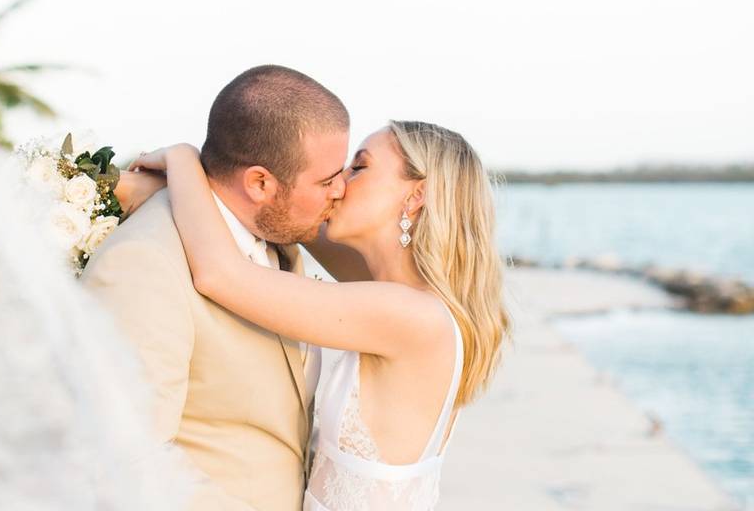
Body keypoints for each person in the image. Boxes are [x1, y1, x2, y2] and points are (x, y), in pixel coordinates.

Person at [128, 120, 511, 510]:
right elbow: (285, 217)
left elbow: (221, 274)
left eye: (359, 168)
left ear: (416, 196)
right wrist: (168, 191)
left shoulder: (410, 316)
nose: (339, 184)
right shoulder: (402, 296)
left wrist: (182, 159)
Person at [82, 65, 350, 510]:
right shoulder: (145, 263)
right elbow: (129, 463)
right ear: (260, 182)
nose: (341, 191)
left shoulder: (284, 241)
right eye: (327, 180)